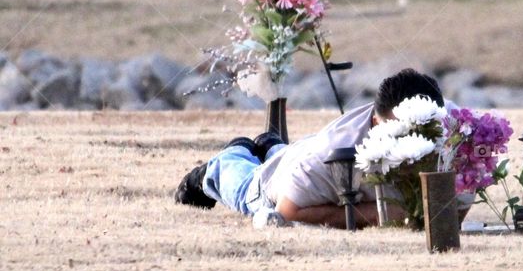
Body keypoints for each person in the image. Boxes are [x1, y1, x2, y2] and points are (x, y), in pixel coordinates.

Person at [175, 69, 444, 228]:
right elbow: (287, 211)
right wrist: (375, 214)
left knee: (284, 156)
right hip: (273, 185)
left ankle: (271, 147)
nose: (413, 142)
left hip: (300, 154)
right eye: (401, 133)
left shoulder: (446, 129)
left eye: (423, 132)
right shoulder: (335, 156)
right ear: (376, 122)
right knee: (246, 187)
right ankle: (225, 161)